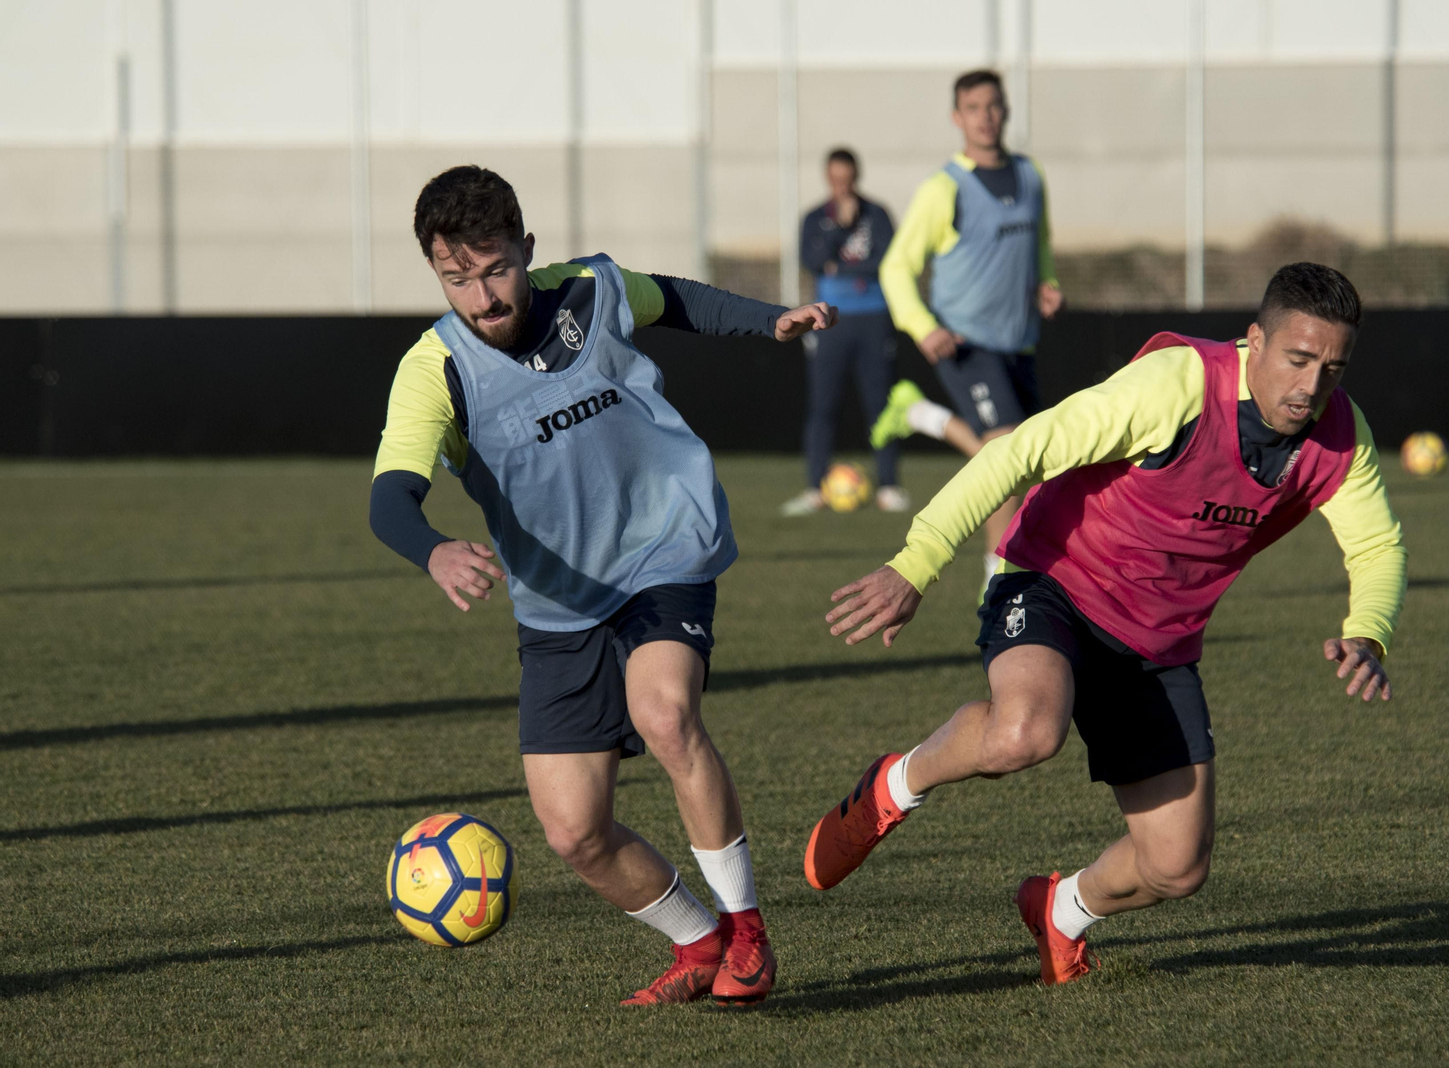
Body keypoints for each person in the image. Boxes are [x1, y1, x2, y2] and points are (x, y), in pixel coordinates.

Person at [804, 263, 1406, 986]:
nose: (1311, 387)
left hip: (1157, 644)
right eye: (1298, 360)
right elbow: (1018, 451)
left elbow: (1375, 547)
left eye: (1332, 369)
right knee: (1025, 730)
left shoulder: (1340, 435)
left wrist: (1368, 630)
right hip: (1057, 581)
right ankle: (892, 788)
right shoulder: (1176, 388)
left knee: (1176, 867)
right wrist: (917, 560)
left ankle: (1062, 910)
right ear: (1256, 341)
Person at [369, 165, 835, 1006]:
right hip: (557, 602)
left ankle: (750, 935)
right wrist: (433, 549)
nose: (483, 298)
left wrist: (771, 322)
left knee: (664, 711)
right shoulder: (432, 370)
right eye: (457, 278)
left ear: (528, 250)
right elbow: (389, 496)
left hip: (665, 542)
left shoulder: (594, 287)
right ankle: (699, 943)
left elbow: (678, 299)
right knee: (575, 831)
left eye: (496, 268)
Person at [870, 69, 1064, 584]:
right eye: (974, 107)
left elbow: (1039, 243)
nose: (986, 116)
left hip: (1019, 342)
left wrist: (1045, 281)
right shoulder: (943, 188)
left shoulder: (1030, 174)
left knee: (1027, 465)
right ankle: (996, 580)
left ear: (1007, 110)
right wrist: (922, 326)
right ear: (958, 118)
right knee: (1004, 458)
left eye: (994, 105)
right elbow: (895, 267)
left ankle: (919, 413)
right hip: (965, 343)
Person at [782, 148, 909, 516]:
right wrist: (839, 228)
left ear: (857, 176)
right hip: (828, 321)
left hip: (874, 318)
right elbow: (812, 261)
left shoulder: (878, 214)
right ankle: (814, 488)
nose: (842, 186)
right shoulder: (814, 218)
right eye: (835, 180)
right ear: (827, 178)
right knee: (822, 404)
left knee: (881, 404)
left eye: (848, 179)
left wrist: (840, 267)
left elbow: (887, 261)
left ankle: (889, 485)